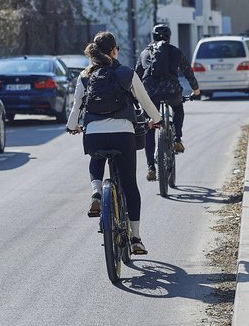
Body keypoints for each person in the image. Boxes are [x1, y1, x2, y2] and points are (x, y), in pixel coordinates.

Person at [66, 31, 162, 255]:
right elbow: (145, 101)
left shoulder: (85, 75)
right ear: (114, 51)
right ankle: (136, 238)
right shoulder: (126, 73)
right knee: (129, 185)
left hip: (94, 134)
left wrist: (73, 126)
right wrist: (156, 120)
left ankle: (97, 194)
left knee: (96, 156)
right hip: (123, 134)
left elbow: (76, 107)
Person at [135, 24, 200, 181]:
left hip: (150, 94)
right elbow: (188, 72)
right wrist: (196, 91)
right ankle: (177, 139)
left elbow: (136, 75)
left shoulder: (145, 53)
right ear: (169, 37)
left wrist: (136, 97)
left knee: (150, 127)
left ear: (153, 37)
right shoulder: (176, 52)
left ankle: (151, 167)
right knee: (178, 108)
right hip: (172, 92)